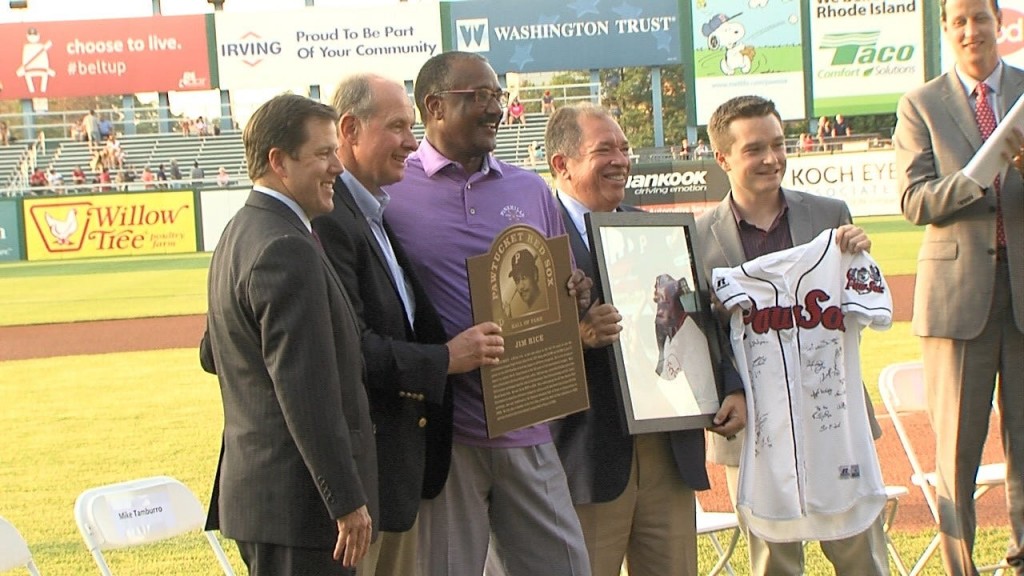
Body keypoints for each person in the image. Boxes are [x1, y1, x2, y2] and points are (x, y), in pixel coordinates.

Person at [384, 51, 613, 576]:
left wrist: (574, 292)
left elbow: (562, 292)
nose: (494, 110)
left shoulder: (530, 188)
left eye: (498, 97)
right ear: (434, 106)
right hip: (447, 436)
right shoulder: (393, 189)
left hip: (527, 421)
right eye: (479, 98)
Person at [312, 73, 504, 576]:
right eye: (397, 126)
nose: (411, 142)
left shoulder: (371, 214)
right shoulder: (331, 220)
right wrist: (447, 358)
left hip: (398, 474)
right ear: (349, 130)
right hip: (365, 479)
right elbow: (349, 349)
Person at [545, 102, 745, 576]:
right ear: (562, 164)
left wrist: (729, 383)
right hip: (588, 456)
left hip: (667, 448)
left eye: (625, 147)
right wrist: (579, 337)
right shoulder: (534, 238)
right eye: (604, 149)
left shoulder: (659, 230)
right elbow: (517, 354)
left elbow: (699, 317)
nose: (621, 159)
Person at [697, 95, 888, 576]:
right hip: (754, 421)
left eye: (778, 145)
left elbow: (854, 298)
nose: (771, 159)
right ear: (722, 159)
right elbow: (700, 337)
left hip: (833, 413)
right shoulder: (697, 237)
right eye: (754, 148)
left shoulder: (829, 215)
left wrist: (859, 252)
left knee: (859, 554)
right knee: (773, 562)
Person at [202, 93, 377, 576]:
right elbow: (305, 391)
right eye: (323, 153)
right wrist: (345, 501)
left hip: (266, 503)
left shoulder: (240, 231)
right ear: (278, 161)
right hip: (303, 511)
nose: (337, 168)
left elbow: (211, 353)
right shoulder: (285, 247)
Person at [892, 0, 1024, 573]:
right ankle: (960, 568)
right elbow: (914, 201)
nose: (973, 30)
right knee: (957, 455)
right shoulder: (921, 104)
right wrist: (976, 176)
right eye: (960, 20)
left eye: (982, 17)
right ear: (946, 30)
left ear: (1001, 23)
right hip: (957, 302)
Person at [502, 248, 547, 317]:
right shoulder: (524, 312)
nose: (521, 287)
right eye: (517, 281)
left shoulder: (549, 302)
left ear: (535, 274)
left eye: (524, 277)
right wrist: (509, 319)